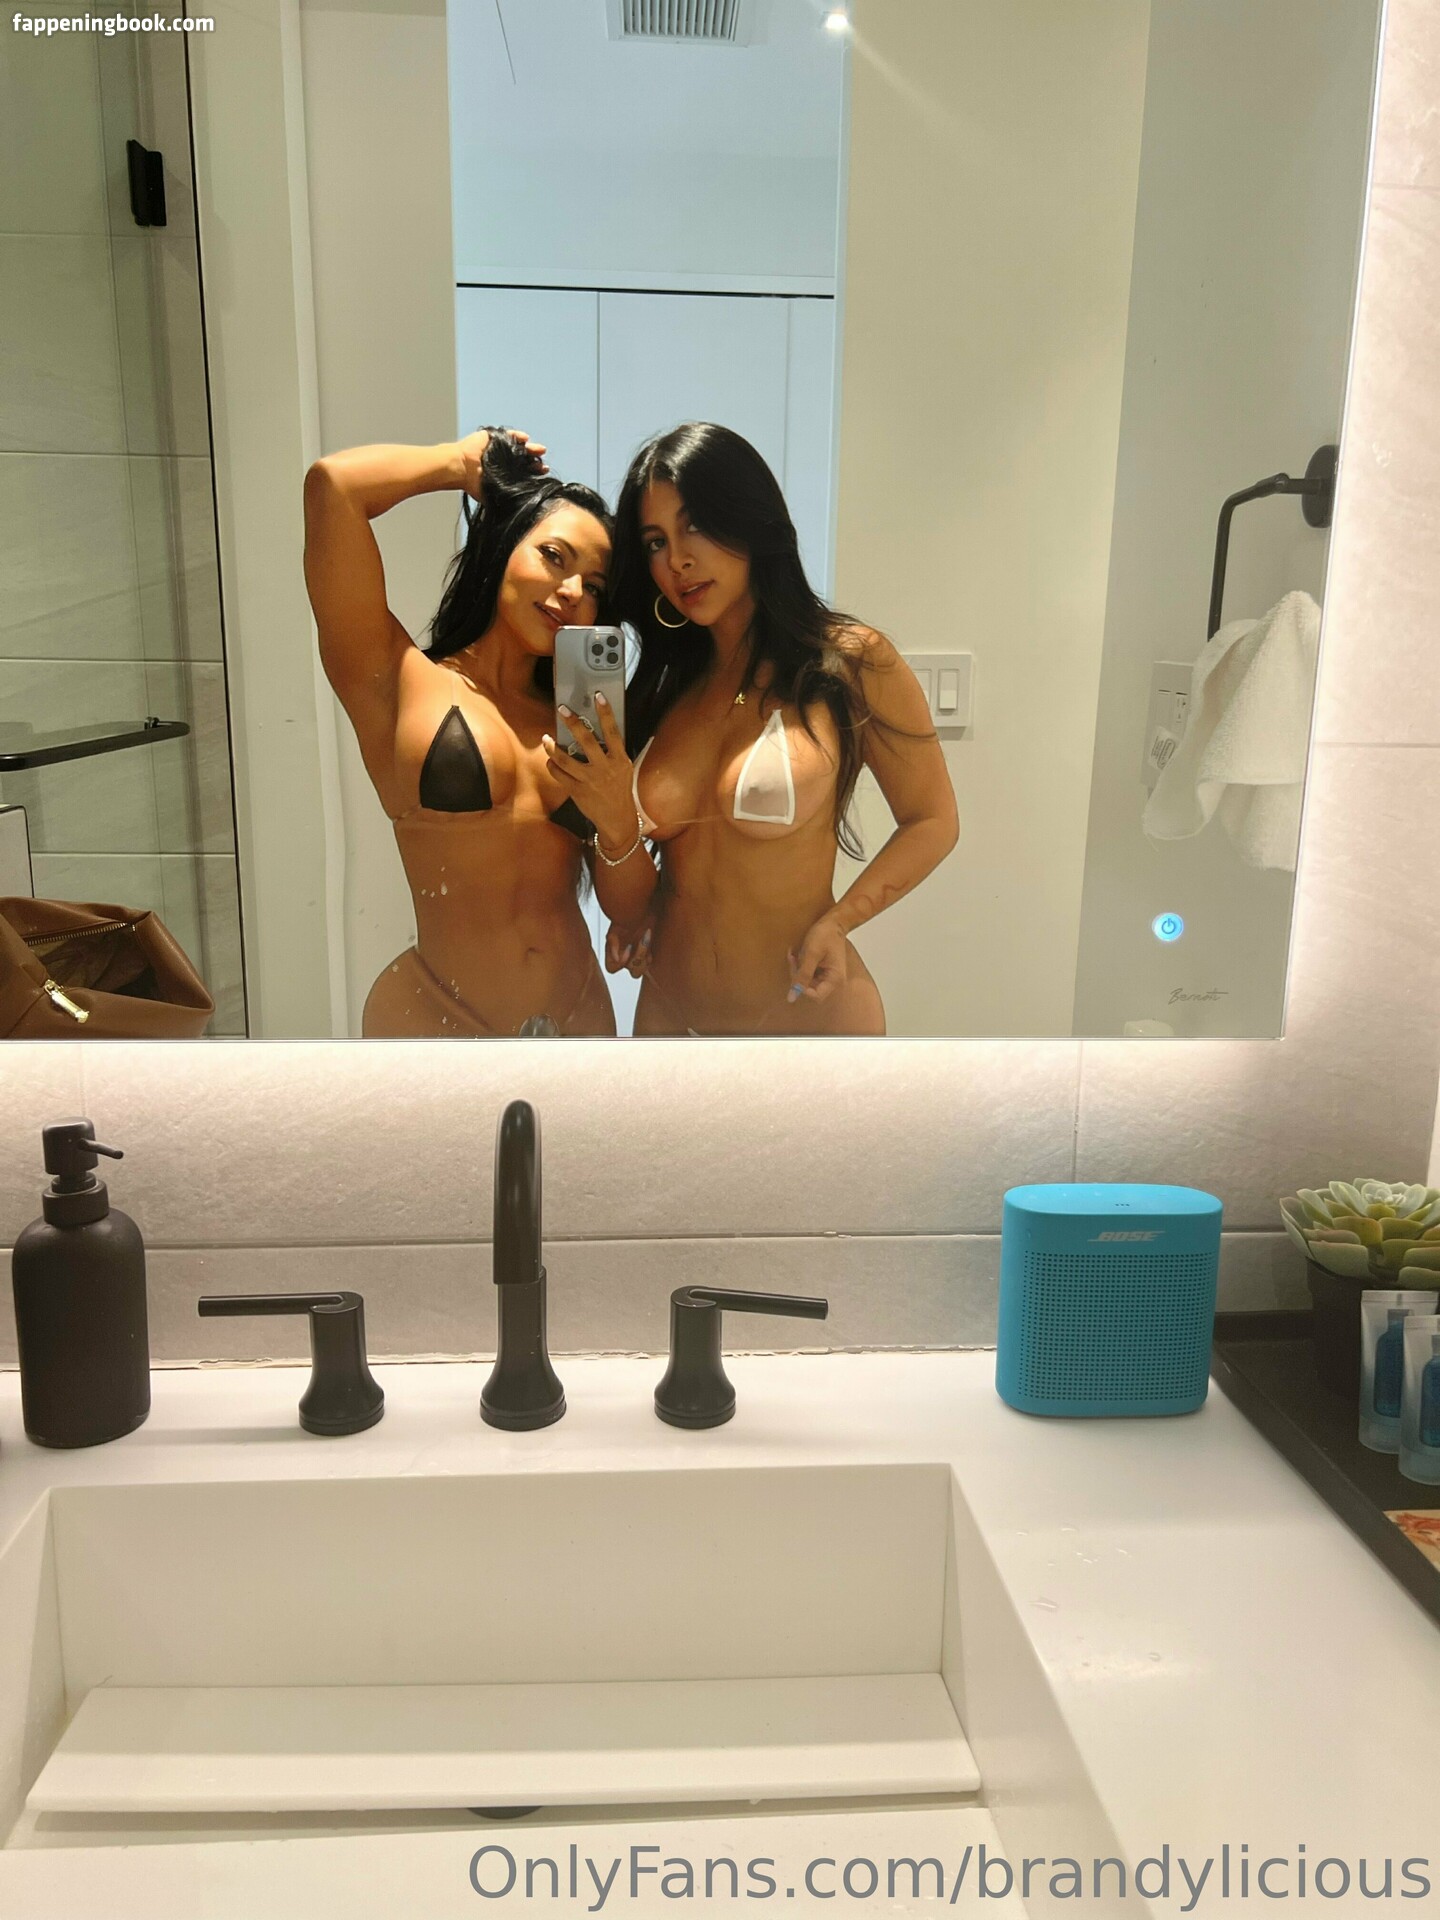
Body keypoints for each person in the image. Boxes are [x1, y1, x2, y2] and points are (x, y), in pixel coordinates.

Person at [544, 422, 959, 1035]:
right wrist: (616, 833)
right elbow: (631, 904)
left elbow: (933, 820)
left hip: (810, 1020)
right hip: (670, 1019)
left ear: (748, 517)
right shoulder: (663, 686)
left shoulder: (849, 661)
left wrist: (840, 921)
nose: (677, 560)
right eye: (656, 542)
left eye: (695, 525)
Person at [303, 427, 619, 1036]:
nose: (572, 591)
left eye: (595, 586)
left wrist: (618, 814)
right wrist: (458, 463)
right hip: (434, 1014)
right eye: (555, 557)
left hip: (579, 1014)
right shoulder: (398, 680)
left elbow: (622, 901)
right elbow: (333, 486)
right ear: (504, 545)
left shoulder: (580, 714)